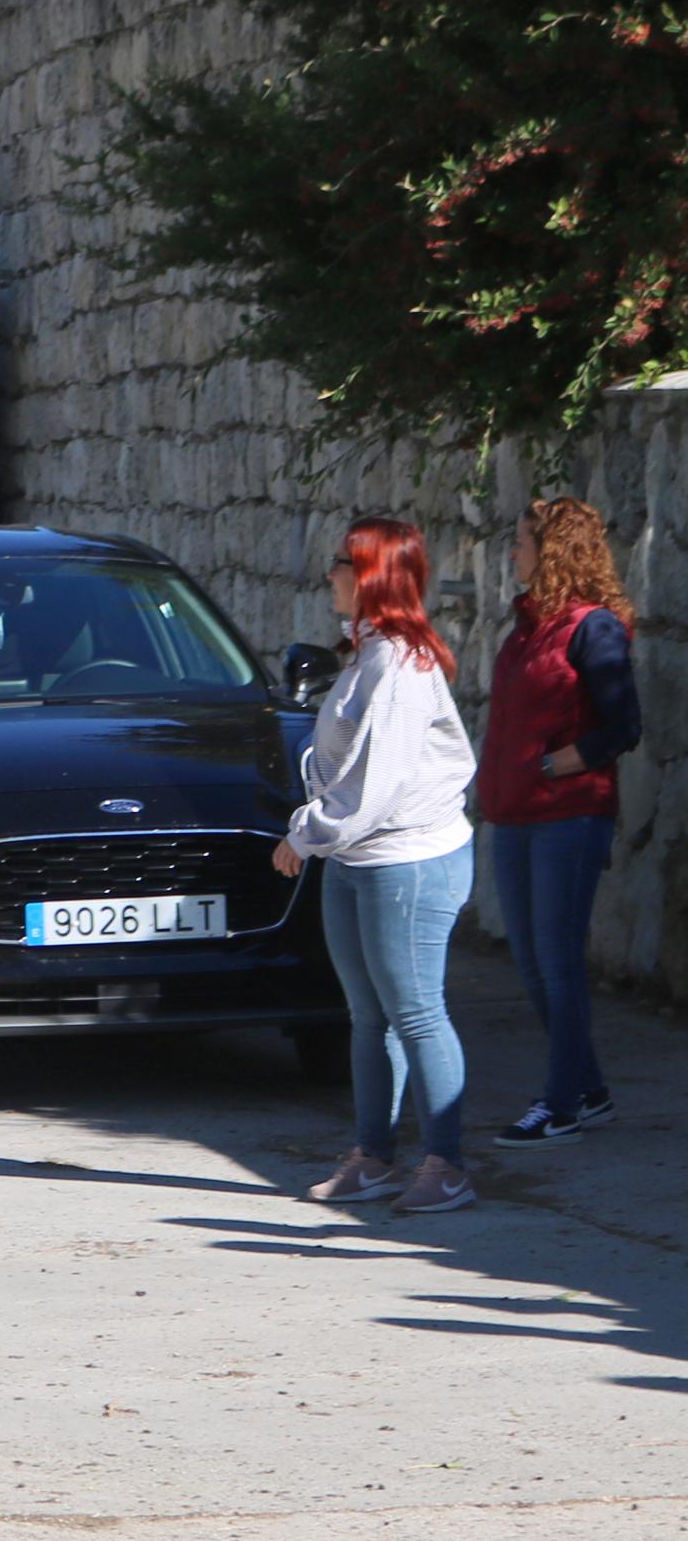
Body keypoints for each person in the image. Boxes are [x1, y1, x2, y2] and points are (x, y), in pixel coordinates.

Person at [279, 518, 481, 1214]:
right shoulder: (365, 652)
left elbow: (378, 784)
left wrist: (305, 833)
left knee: (417, 1012)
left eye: (341, 562)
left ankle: (447, 1165)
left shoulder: (399, 664)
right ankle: (373, 1156)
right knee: (368, 1015)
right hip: (358, 856)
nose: (329, 572)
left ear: (371, 576)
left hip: (407, 861)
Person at [481, 497, 644, 1142]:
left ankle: (561, 1102)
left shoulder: (592, 627)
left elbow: (623, 725)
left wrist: (553, 767)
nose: (513, 551)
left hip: (567, 818)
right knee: (529, 959)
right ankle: (590, 1086)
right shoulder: (526, 626)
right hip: (514, 818)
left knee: (557, 960)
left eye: (521, 541)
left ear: (552, 550)